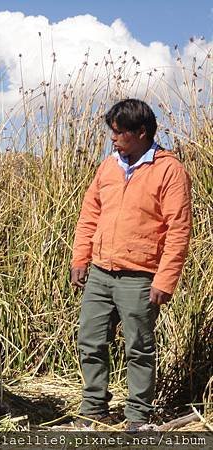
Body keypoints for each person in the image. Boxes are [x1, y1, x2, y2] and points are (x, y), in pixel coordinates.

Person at [70, 99, 192, 431]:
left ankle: (137, 416)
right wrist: (80, 258)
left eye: (120, 132)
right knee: (90, 339)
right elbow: (89, 216)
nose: (113, 138)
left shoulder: (170, 170)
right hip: (100, 272)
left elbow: (178, 230)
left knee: (139, 347)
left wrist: (165, 280)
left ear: (141, 132)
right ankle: (93, 410)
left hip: (140, 277)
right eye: (112, 131)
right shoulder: (107, 167)